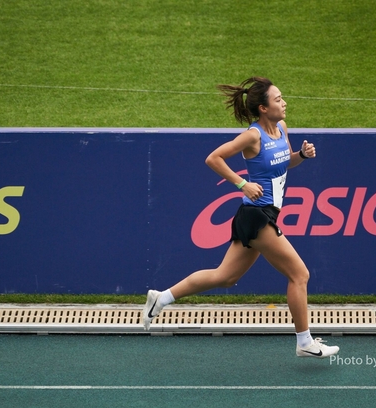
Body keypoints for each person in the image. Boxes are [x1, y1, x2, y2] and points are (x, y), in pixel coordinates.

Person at [142, 77, 339, 358]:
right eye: (278, 99)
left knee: (225, 277)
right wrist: (241, 183)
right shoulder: (252, 136)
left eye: (283, 98)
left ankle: (161, 298)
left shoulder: (282, 128)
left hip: (262, 214)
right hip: (257, 216)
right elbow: (214, 158)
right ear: (263, 108)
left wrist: (301, 156)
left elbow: (285, 164)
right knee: (300, 275)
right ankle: (305, 342)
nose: (284, 103)